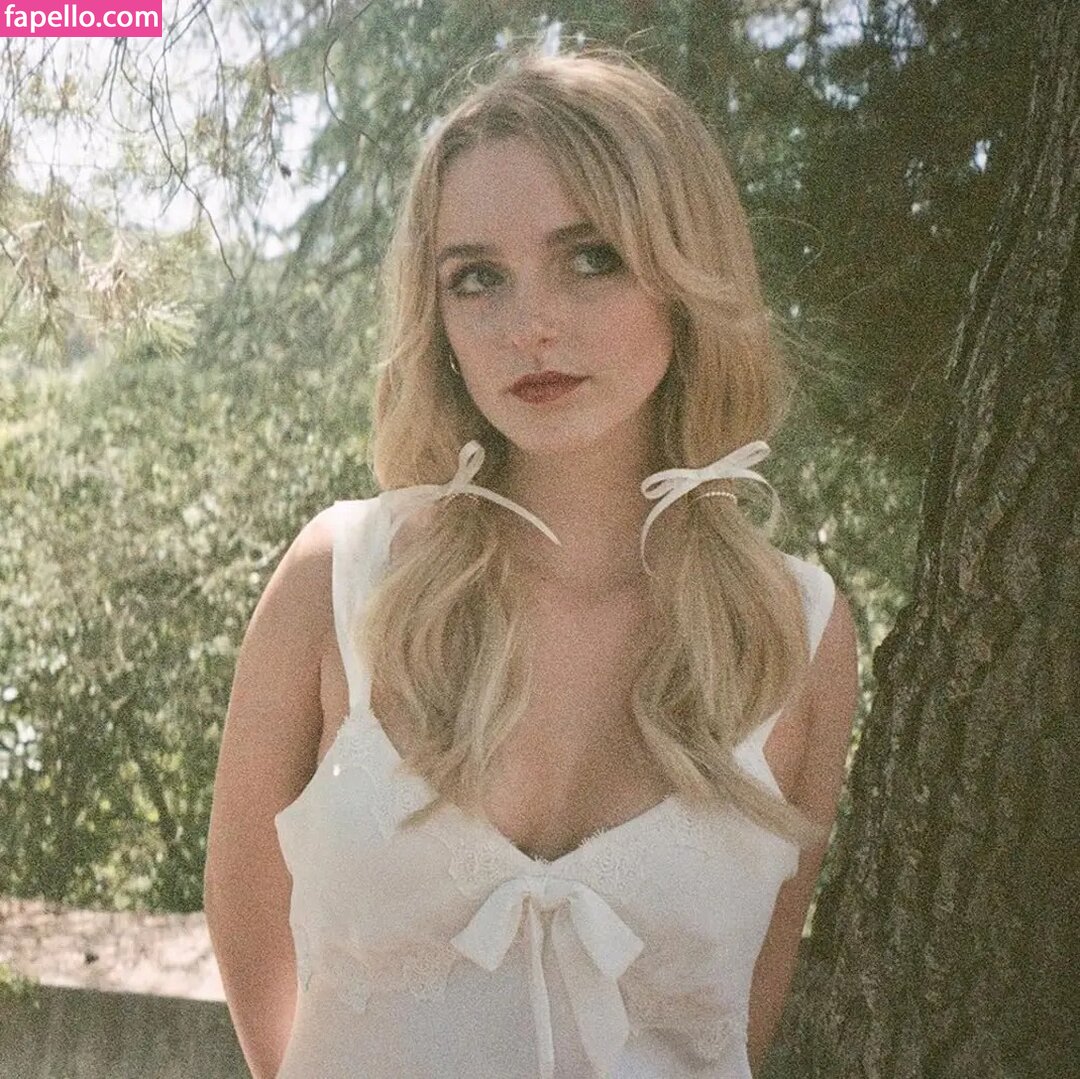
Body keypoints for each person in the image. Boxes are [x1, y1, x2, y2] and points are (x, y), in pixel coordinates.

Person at [204, 46, 859, 1079]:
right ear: (439, 317)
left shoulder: (799, 632)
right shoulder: (341, 577)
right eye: (477, 278)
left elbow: (746, 1011)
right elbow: (247, 926)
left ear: (685, 273)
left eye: (590, 258)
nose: (529, 326)